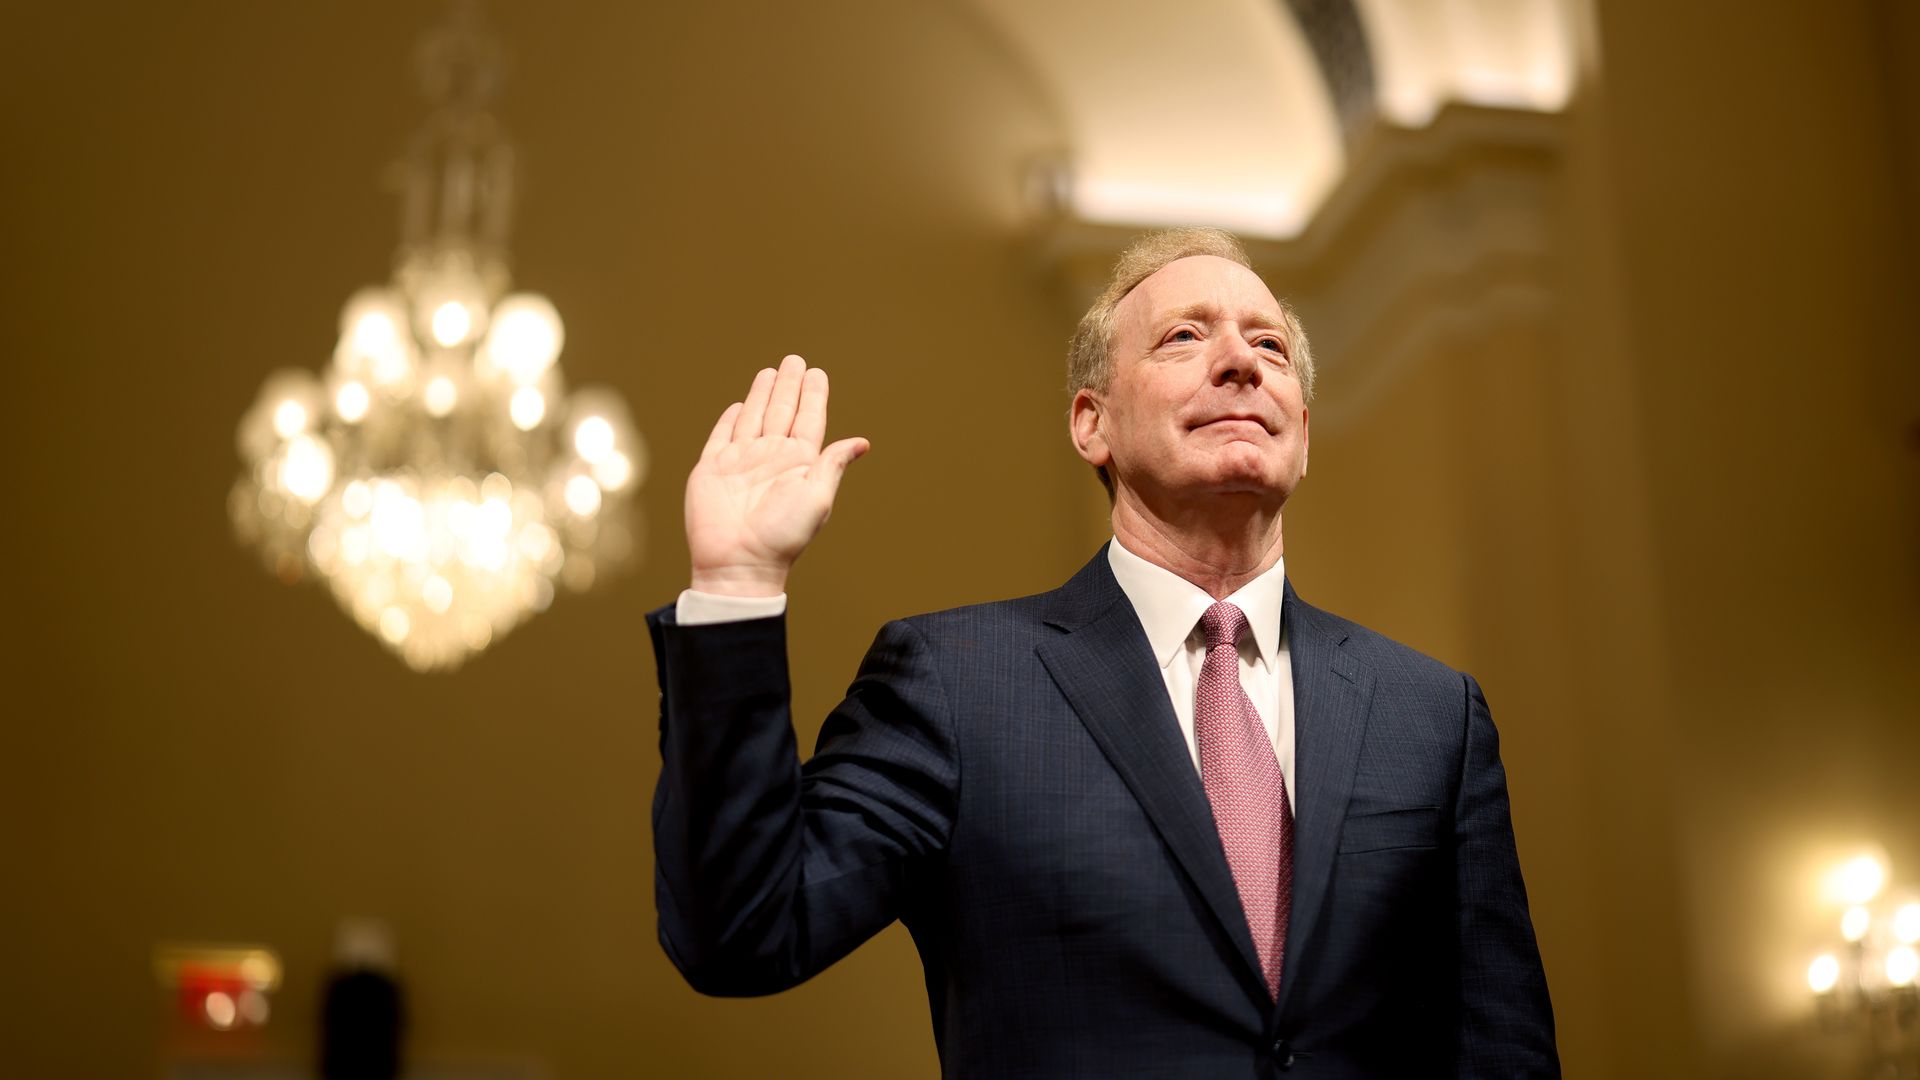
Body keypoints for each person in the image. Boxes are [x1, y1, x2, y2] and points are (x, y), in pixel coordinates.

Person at [647, 228, 1558, 1077]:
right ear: (1093, 424)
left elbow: (1502, 1049)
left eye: (1270, 347)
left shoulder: (1433, 714)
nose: (1241, 361)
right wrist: (736, 584)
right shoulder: (960, 685)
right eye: (1183, 338)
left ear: (1304, 435)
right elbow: (742, 931)